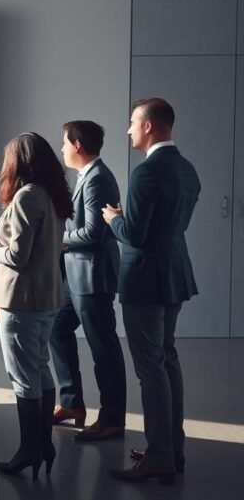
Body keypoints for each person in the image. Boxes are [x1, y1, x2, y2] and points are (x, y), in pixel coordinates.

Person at [103, 98, 199, 484]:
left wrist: (114, 219)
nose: (127, 130)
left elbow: (136, 237)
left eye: (131, 123)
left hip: (145, 278)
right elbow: (169, 226)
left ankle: (159, 454)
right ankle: (171, 446)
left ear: (148, 127)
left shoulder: (146, 173)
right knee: (167, 359)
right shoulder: (187, 168)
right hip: (174, 272)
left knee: (150, 369)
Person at [0, 133, 71, 480]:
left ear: (17, 162)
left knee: (22, 377)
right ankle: (42, 444)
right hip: (48, 297)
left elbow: (17, 256)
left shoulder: (26, 197)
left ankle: (29, 449)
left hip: (22, 300)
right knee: (39, 367)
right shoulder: (53, 196)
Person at [50, 121, 126, 441]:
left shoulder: (97, 179)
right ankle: (72, 404)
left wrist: (60, 238)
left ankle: (111, 420)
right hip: (76, 275)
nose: (62, 149)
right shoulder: (87, 176)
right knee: (57, 329)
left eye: (65, 143)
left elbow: (95, 233)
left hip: (92, 276)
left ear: (78, 145)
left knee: (103, 347)